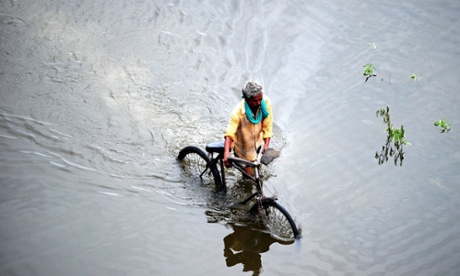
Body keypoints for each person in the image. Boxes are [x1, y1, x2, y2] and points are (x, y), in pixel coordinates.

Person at [223, 81, 273, 176]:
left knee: (257, 173)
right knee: (249, 177)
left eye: (260, 99)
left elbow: (268, 125)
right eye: (255, 101)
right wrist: (226, 153)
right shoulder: (237, 112)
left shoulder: (265, 103)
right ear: (247, 99)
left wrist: (266, 145)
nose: (259, 103)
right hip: (243, 149)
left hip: (257, 143)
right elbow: (229, 134)